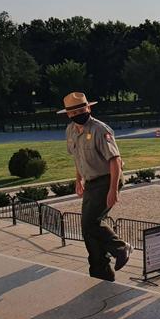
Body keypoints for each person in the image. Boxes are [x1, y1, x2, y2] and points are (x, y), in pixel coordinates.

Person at [60, 92, 132, 282]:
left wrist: (113, 190)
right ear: (68, 114)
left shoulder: (100, 129)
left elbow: (115, 161)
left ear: (89, 108)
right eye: (74, 111)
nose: (79, 114)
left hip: (108, 179)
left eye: (82, 109)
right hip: (91, 182)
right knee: (87, 228)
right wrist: (78, 180)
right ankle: (100, 270)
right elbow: (77, 158)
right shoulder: (70, 131)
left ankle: (121, 247)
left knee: (91, 222)